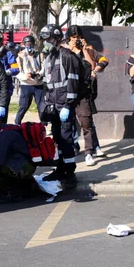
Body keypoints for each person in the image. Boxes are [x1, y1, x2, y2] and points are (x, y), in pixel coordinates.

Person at [39, 24, 81, 187]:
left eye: (48, 39)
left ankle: (70, 172)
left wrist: (69, 105)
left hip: (64, 104)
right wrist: (47, 104)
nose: (45, 42)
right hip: (53, 105)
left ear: (57, 38)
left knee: (66, 139)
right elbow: (47, 83)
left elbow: (73, 82)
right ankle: (60, 168)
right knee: (57, 138)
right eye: (44, 39)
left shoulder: (68, 56)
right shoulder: (48, 57)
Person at [66, 26, 106, 164]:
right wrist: (71, 50)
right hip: (67, 92)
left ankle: (90, 151)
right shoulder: (65, 50)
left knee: (86, 121)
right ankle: (72, 148)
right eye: (73, 37)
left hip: (83, 92)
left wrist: (83, 50)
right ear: (68, 38)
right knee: (68, 123)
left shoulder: (87, 49)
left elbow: (92, 65)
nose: (76, 40)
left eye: (78, 37)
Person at [15, 35, 45, 125]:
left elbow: (44, 67)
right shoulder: (20, 56)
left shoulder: (40, 55)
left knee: (41, 105)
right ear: (24, 44)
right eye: (27, 44)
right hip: (26, 84)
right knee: (23, 105)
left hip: (38, 84)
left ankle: (43, 123)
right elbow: (16, 72)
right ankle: (17, 122)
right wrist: (25, 76)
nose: (29, 46)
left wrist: (40, 74)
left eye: (31, 44)